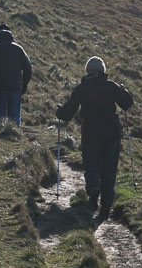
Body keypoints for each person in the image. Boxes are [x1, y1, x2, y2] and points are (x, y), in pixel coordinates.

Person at [56, 56, 134, 216]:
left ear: (88, 71)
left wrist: (59, 111)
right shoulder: (111, 86)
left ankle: (93, 190)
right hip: (111, 132)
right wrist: (124, 90)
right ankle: (106, 207)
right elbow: (126, 103)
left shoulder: (81, 88)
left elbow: (67, 113)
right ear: (102, 70)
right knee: (109, 169)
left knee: (91, 164)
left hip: (91, 131)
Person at [0, 23, 32, 126]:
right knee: (15, 115)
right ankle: (15, 132)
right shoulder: (18, 49)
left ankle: (1, 131)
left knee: (0, 115)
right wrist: (24, 84)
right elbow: (28, 68)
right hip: (15, 86)